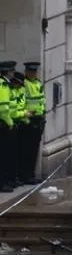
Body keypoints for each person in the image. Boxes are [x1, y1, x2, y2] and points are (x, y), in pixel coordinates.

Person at [20, 62, 44, 185]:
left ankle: (31, 174)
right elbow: (21, 102)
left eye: (35, 71)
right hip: (28, 120)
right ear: (26, 72)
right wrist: (26, 119)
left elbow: (41, 101)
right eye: (31, 72)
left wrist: (43, 115)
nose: (33, 74)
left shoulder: (38, 83)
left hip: (38, 119)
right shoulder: (24, 85)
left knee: (34, 151)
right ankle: (26, 175)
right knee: (27, 151)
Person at [0, 61, 16, 192]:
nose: (13, 73)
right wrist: (10, 123)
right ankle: (3, 183)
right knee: (4, 155)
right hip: (4, 124)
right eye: (12, 71)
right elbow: (4, 108)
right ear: (8, 72)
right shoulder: (3, 85)